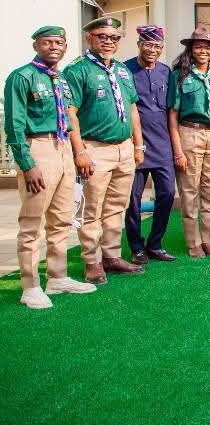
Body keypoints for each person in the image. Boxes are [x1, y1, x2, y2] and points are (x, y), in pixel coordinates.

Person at [4, 26, 96, 309]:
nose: (54, 46)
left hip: (62, 147)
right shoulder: (22, 77)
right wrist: (27, 164)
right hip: (38, 148)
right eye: (47, 42)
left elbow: (69, 116)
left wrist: (76, 151)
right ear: (36, 45)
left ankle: (57, 277)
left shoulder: (61, 79)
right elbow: (14, 124)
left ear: (66, 47)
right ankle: (30, 285)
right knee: (32, 223)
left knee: (61, 219)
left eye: (59, 42)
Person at [65, 16, 145, 284]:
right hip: (95, 148)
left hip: (124, 148)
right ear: (90, 38)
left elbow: (133, 108)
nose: (109, 42)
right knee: (92, 210)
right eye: (103, 36)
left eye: (114, 37)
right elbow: (70, 113)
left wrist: (138, 144)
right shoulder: (77, 70)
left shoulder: (122, 70)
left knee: (116, 208)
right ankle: (92, 261)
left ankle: (111, 255)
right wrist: (80, 151)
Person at [167, 27, 210, 259]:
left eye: (208, 47)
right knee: (189, 192)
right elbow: (172, 115)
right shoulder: (179, 76)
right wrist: (178, 151)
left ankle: (208, 240)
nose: (203, 50)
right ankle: (193, 243)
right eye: (199, 46)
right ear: (191, 49)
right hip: (189, 133)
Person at [124, 25, 177, 265]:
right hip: (135, 144)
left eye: (157, 46)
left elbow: (171, 110)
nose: (152, 50)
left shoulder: (166, 72)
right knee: (133, 199)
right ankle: (136, 246)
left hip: (162, 143)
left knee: (166, 193)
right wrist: (134, 143)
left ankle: (155, 243)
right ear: (139, 45)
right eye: (148, 45)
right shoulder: (125, 70)